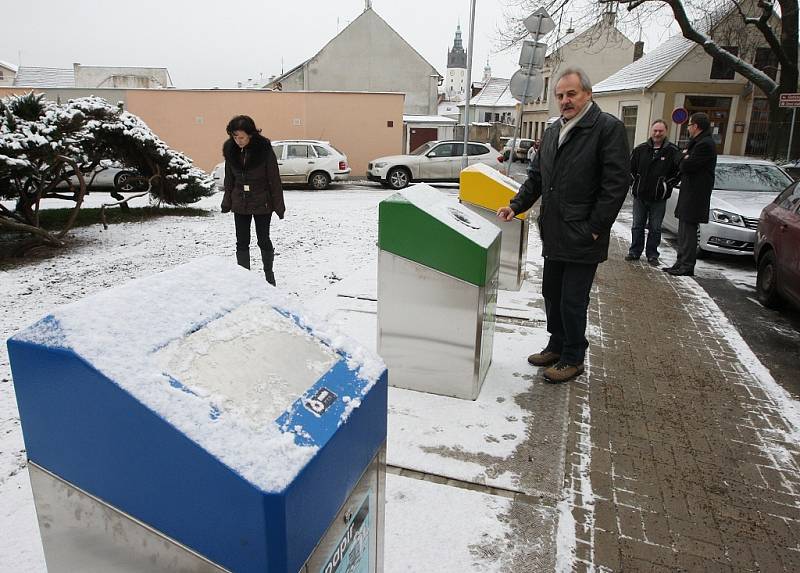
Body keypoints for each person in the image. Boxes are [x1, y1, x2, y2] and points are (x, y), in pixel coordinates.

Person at [496, 67, 629, 384]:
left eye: (572, 94)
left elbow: (616, 184)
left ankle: (573, 356)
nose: (565, 101)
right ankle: (556, 345)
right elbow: (538, 178)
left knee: (572, 299)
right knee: (552, 293)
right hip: (555, 231)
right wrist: (516, 206)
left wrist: (595, 227)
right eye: (560, 95)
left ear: (588, 94)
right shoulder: (554, 131)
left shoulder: (607, 129)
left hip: (583, 234)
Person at [221, 115, 285, 286]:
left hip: (262, 203)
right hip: (240, 203)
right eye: (235, 137)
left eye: (241, 137)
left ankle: (269, 276)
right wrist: (227, 201)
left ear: (251, 134)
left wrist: (279, 206)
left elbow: (274, 180)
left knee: (263, 239)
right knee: (241, 241)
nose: (238, 141)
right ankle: (244, 280)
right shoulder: (231, 151)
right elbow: (229, 180)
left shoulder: (264, 151)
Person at [663, 112, 717, 277]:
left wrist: (681, 157)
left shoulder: (705, 144)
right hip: (689, 192)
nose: (688, 128)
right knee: (683, 230)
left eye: (690, 125)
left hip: (696, 194)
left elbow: (687, 166)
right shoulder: (697, 142)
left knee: (689, 231)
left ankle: (686, 265)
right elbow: (684, 160)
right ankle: (680, 262)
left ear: (696, 126)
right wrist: (683, 157)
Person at [625, 119, 681, 265]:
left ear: (665, 132)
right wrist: (634, 183)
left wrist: (666, 185)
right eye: (655, 130)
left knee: (655, 228)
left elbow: (678, 172)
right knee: (637, 225)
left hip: (658, 198)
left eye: (660, 131)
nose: (657, 134)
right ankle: (634, 251)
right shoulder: (640, 149)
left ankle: (652, 255)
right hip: (640, 196)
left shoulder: (673, 151)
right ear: (651, 131)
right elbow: (629, 169)